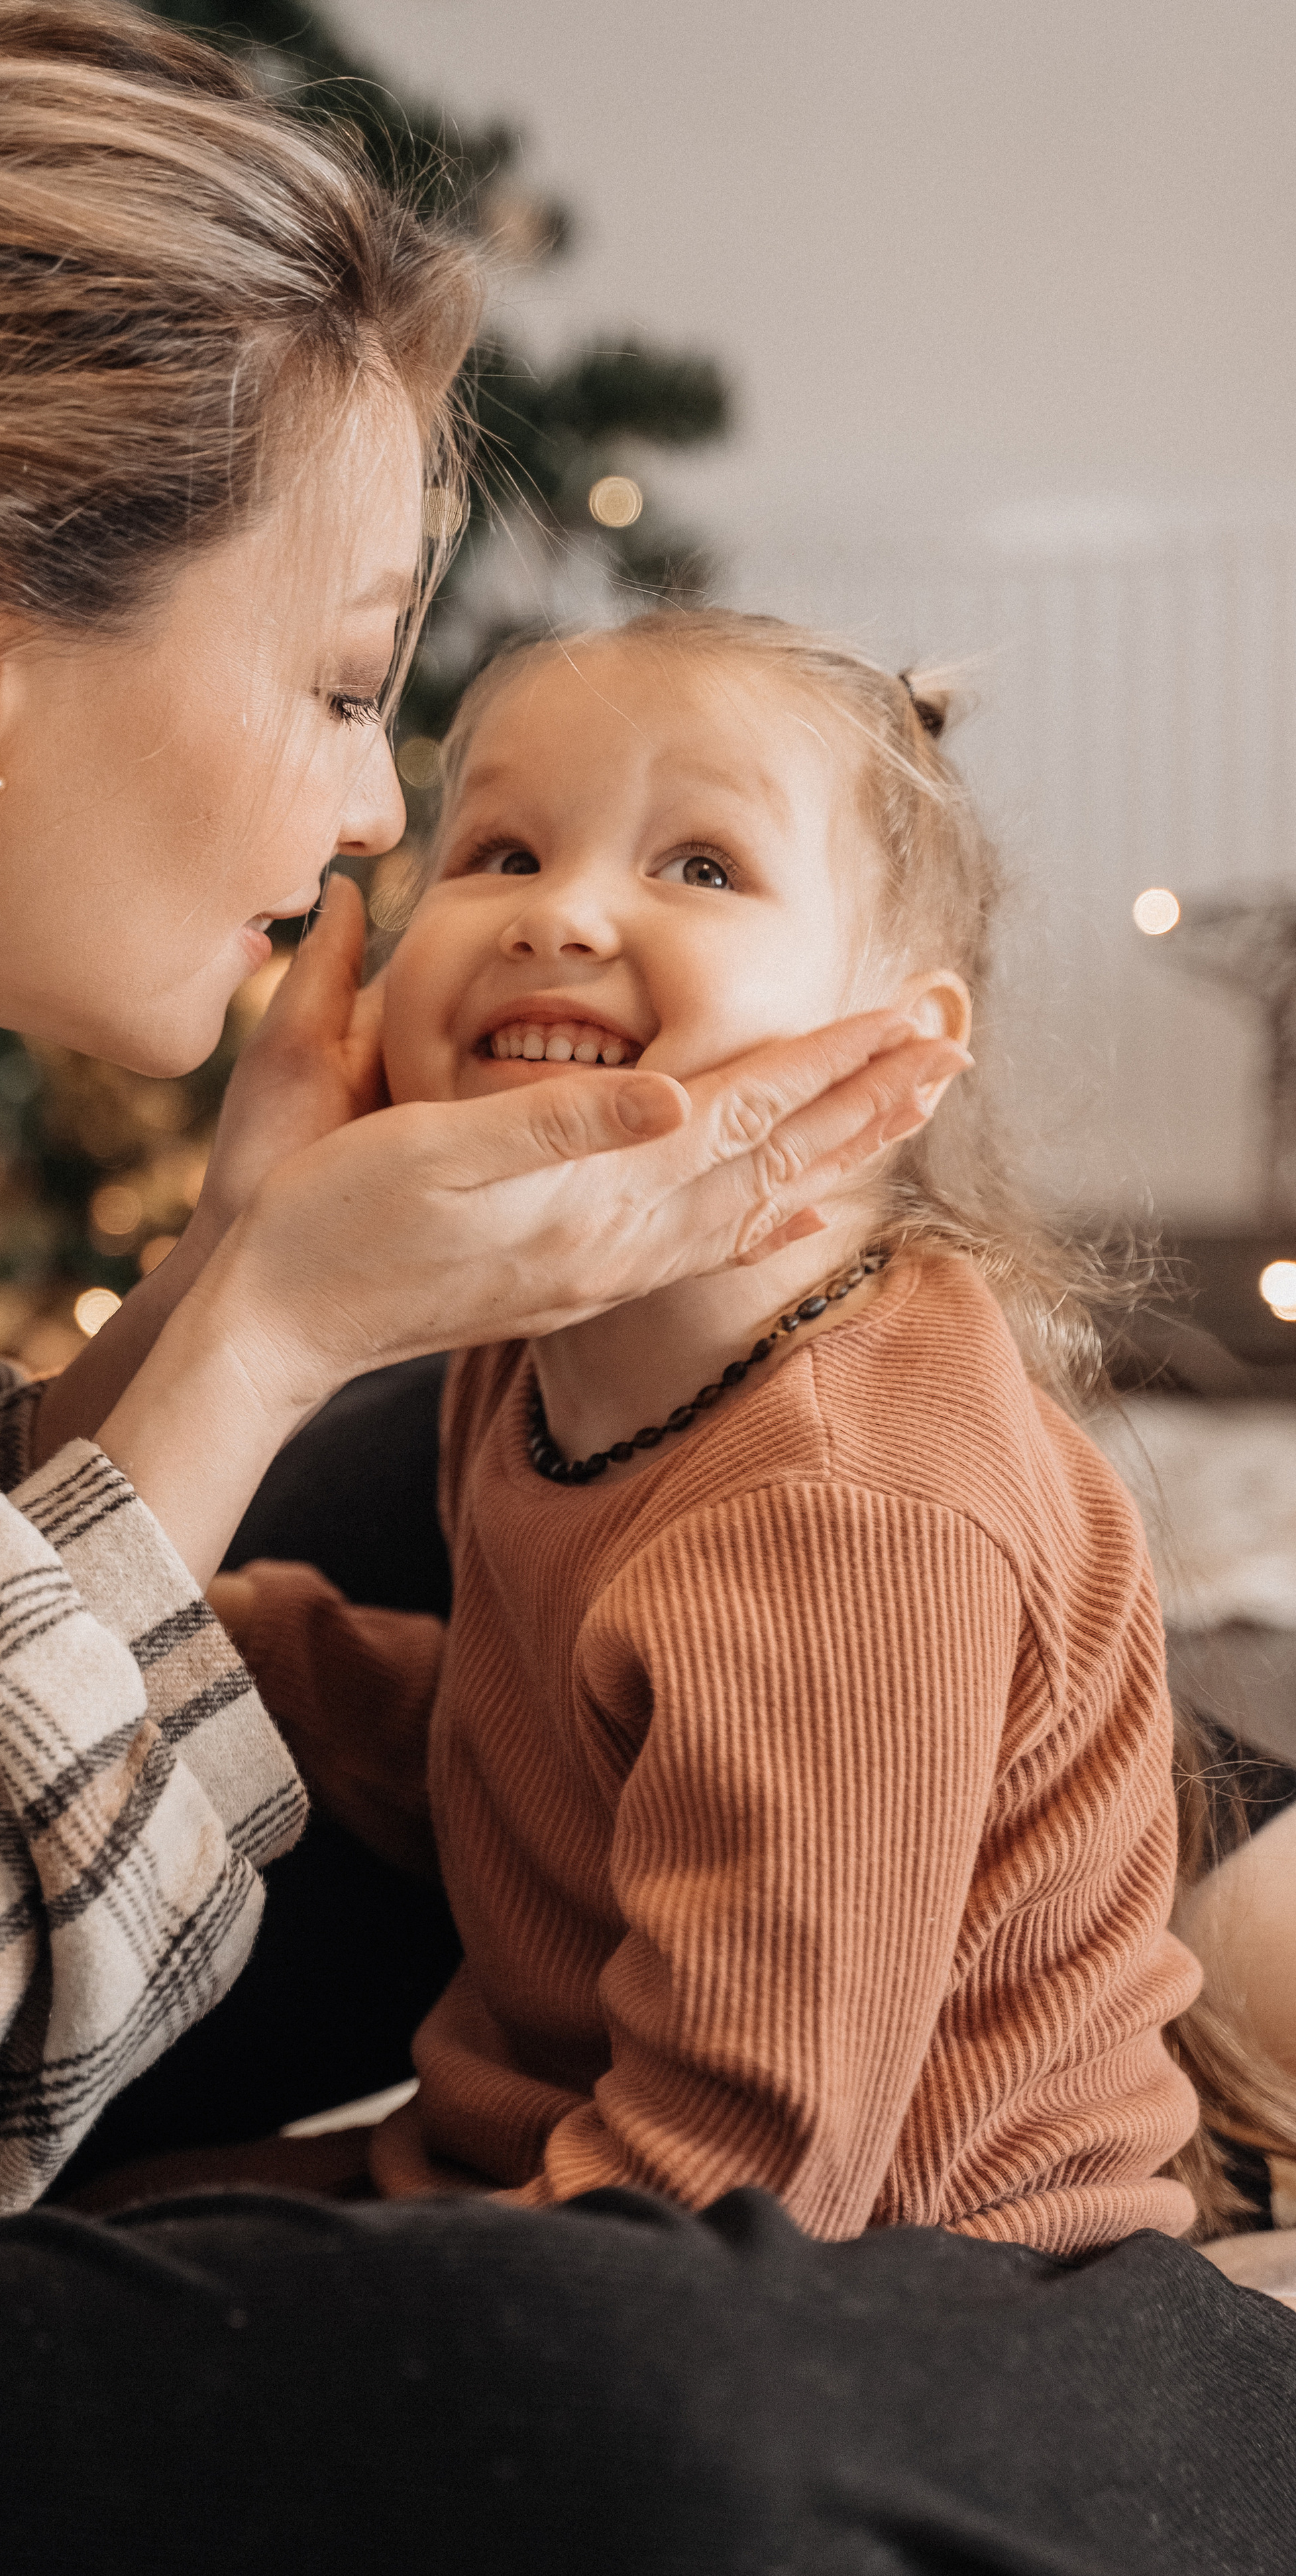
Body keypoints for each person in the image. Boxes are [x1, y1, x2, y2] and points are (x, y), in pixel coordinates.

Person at [0, 8, 1290, 2571]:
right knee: (596, 2378)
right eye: (358, 686)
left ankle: (1216, 1930)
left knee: (574, 1467)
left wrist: (234, 1291)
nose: (382, 812)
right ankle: (1188, 2352)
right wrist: (257, 1328)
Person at [209, 610, 1199, 2243]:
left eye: (701, 869)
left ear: (896, 1048)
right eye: (504, 850)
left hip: (853, 2295)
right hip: (554, 2166)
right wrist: (231, 1649)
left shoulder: (846, 1504)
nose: (561, 916)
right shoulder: (534, 1361)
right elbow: (553, 1753)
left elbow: (746, 2173)